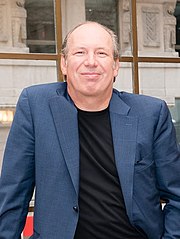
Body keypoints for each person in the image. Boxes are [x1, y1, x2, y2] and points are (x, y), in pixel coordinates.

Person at [0, 21, 180, 239]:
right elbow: (13, 194)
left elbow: (176, 196)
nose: (91, 62)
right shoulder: (35, 105)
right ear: (64, 64)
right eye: (80, 52)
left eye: (101, 53)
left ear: (115, 66)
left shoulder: (151, 114)